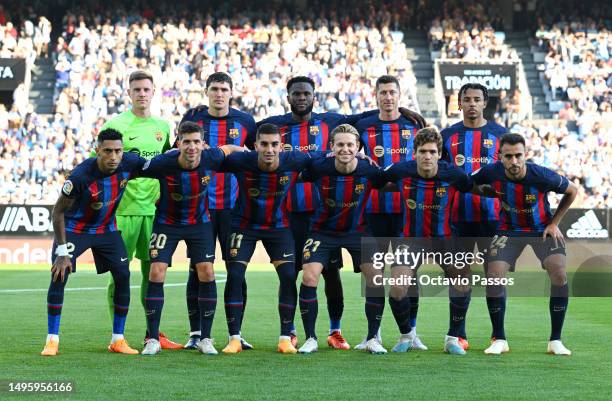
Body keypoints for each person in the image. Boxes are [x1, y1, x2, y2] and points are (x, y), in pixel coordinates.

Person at [260, 75, 425, 348]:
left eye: (306, 93)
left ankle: (362, 333)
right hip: (302, 218)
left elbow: (365, 117)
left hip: (358, 222)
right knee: (296, 274)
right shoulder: (278, 127)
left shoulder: (332, 123)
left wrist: (400, 111)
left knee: (364, 275)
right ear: (288, 97)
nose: (302, 98)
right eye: (296, 94)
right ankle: (296, 333)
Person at [377, 127, 489, 355]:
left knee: (462, 282)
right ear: (414, 153)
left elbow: (474, 186)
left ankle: (452, 338)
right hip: (411, 240)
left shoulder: (454, 174)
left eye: (432, 151)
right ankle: (407, 335)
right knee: (397, 288)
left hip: (445, 238)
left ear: (439, 154)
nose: (427, 156)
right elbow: (378, 180)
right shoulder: (400, 171)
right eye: (422, 151)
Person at [139, 121, 244, 356]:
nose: (192, 147)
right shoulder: (163, 163)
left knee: (206, 271)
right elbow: (136, 167)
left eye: (196, 141)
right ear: (178, 144)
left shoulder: (212, 157)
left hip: (199, 223)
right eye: (186, 141)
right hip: (167, 222)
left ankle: (205, 339)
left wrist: (246, 152)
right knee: (156, 271)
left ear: (203, 144)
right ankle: (152, 339)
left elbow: (230, 149)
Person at [41, 129, 146, 356]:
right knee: (59, 274)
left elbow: (160, 166)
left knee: (123, 274)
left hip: (106, 229)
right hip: (74, 229)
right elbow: (57, 213)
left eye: (118, 151)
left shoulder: (129, 163)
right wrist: (61, 251)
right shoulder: (80, 177)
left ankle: (118, 340)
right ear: (97, 150)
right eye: (107, 151)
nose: (113, 156)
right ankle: (52, 339)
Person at [471, 133, 578, 355]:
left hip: (541, 229)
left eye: (518, 155)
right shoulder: (491, 172)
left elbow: (572, 191)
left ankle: (555, 340)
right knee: (494, 274)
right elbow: (470, 183)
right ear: (500, 157)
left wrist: (554, 223)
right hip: (508, 230)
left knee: (558, 271)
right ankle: (499, 338)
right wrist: (489, 192)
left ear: (525, 154)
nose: (514, 161)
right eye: (508, 156)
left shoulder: (541, 175)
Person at [219, 123, 321, 354]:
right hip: (243, 225)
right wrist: (226, 148)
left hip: (278, 226)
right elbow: (210, 160)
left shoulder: (294, 160)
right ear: (255, 146)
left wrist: (356, 156)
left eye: (274, 144)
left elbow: (324, 157)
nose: (269, 149)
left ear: (281, 147)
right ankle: (234, 337)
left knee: (288, 276)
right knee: (235, 275)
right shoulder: (241, 161)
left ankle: (285, 338)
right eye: (264, 144)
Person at [101, 70, 181, 350]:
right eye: (136, 89)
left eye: (146, 89)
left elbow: (171, 164)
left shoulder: (163, 127)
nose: (142, 94)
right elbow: (99, 165)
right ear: (129, 93)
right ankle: (117, 336)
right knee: (120, 275)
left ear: (154, 91)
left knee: (154, 275)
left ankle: (153, 333)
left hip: (155, 212)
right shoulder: (116, 125)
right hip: (122, 212)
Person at [180, 72, 256, 350]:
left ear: (231, 92)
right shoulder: (194, 119)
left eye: (224, 89)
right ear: (206, 91)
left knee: (236, 272)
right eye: (214, 89)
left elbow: (257, 157)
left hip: (234, 209)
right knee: (197, 271)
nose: (219, 94)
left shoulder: (245, 122)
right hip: (201, 209)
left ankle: (236, 333)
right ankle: (196, 333)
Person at [296, 124, 383, 353]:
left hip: (358, 230)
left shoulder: (370, 169)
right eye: (340, 145)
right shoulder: (319, 167)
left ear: (358, 147)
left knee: (375, 277)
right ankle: (311, 338)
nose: (345, 149)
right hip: (322, 231)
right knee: (309, 277)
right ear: (332, 147)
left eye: (350, 145)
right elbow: (301, 168)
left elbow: (389, 180)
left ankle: (373, 338)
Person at [354, 74, 425, 350]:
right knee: (373, 276)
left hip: (407, 213)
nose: (387, 97)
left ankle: (412, 332)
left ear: (399, 94)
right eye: (382, 92)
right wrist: (360, 155)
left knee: (409, 276)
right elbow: (342, 133)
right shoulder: (363, 125)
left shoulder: (413, 124)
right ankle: (374, 335)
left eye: (392, 93)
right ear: (376, 95)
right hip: (371, 212)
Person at [440, 82, 507, 348]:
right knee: (459, 275)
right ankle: (458, 334)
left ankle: (498, 335)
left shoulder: (501, 134)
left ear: (484, 103)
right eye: (466, 99)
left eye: (476, 99)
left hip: (493, 218)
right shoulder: (447, 136)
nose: (471, 104)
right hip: (457, 217)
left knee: (495, 276)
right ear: (459, 103)